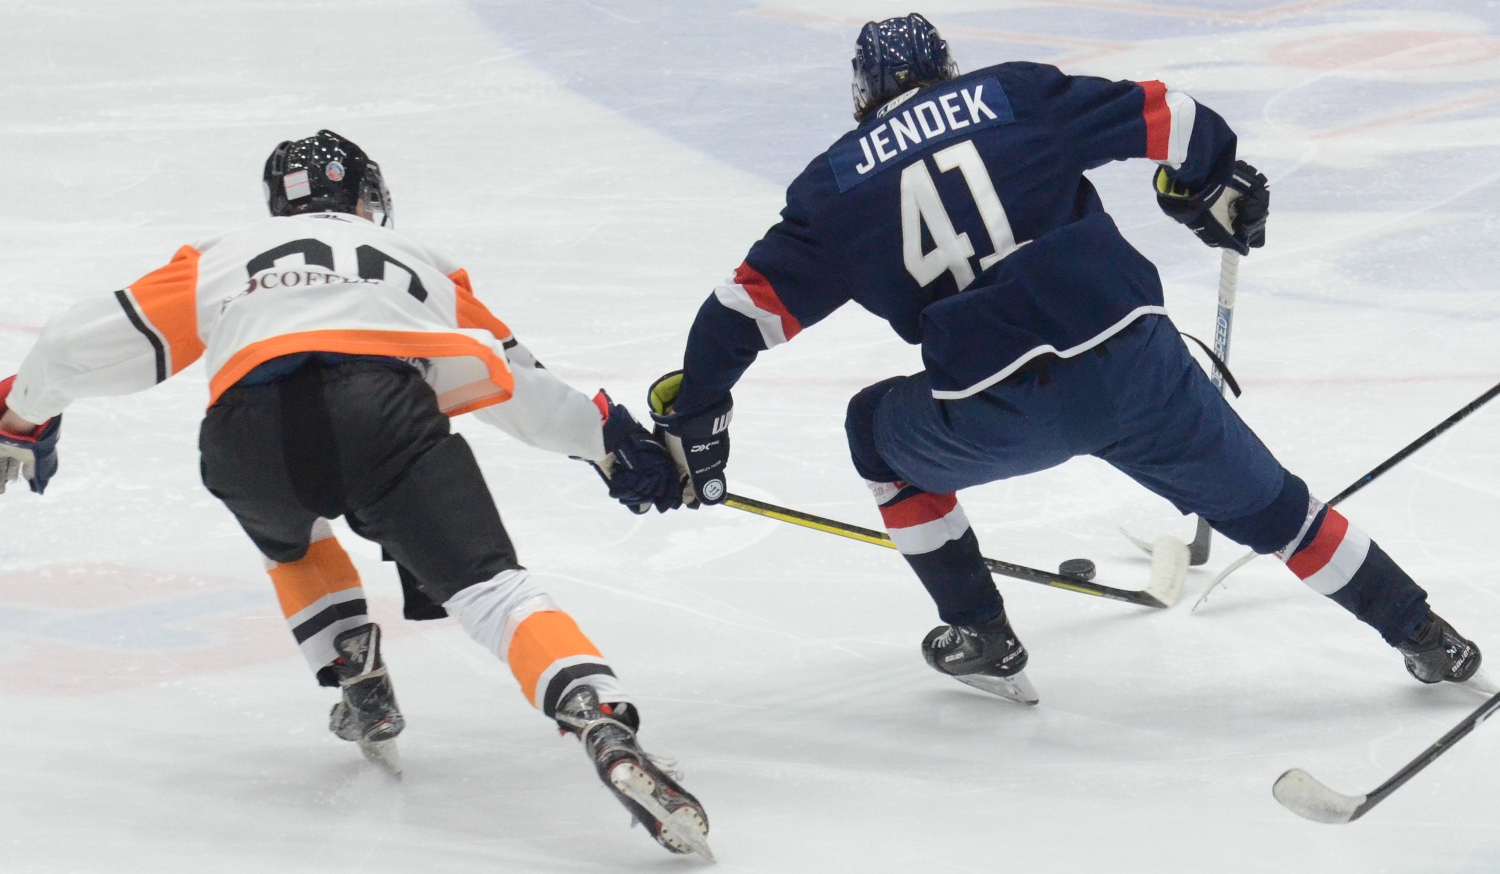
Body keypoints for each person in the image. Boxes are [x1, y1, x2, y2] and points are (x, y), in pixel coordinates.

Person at [646, 14, 1489, 706]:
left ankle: (979, 628)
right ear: (946, 69)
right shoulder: (1010, 95)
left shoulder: (833, 187)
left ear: (862, 98)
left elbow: (737, 316)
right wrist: (1203, 186)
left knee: (874, 431)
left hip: (997, 412)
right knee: (1280, 511)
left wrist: (697, 417)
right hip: (1137, 367)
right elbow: (1178, 117)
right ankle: (1423, 632)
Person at [0, 131, 710, 859]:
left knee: (292, 542)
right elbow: (518, 383)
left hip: (246, 435)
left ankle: (354, 670)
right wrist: (611, 447)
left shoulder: (223, 254)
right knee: (496, 594)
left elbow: (73, 342)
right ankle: (600, 722)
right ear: (369, 196)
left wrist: (24, 417)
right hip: (383, 414)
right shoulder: (422, 261)